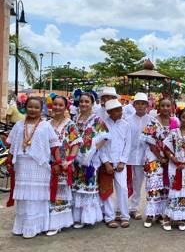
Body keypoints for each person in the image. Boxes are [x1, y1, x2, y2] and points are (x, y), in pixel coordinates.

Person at [9, 96, 61, 238]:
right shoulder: (19, 125)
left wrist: (57, 162)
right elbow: (12, 145)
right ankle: (21, 227)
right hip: (22, 164)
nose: (33, 110)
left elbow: (55, 145)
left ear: (41, 109)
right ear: (25, 107)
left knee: (36, 197)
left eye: (36, 107)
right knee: (24, 197)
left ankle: (36, 227)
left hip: (40, 166)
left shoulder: (46, 126)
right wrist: (9, 162)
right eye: (30, 107)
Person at [46, 96, 81, 236]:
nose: (57, 107)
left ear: (66, 107)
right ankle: (49, 221)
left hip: (64, 164)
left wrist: (69, 161)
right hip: (49, 164)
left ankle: (58, 223)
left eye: (61, 105)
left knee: (60, 193)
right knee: (49, 193)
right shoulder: (46, 124)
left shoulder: (70, 124)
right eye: (55, 104)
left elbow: (76, 144)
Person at [71, 92, 106, 228]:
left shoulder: (96, 119)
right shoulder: (74, 118)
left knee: (87, 185)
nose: (84, 104)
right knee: (75, 187)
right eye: (81, 101)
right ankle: (76, 217)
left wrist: (94, 149)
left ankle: (87, 218)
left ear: (92, 104)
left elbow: (106, 136)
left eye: (87, 102)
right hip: (75, 158)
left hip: (89, 159)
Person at [141, 97, 176, 228]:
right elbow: (150, 143)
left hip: (169, 160)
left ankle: (162, 214)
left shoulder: (175, 122)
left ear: (172, 107)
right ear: (158, 107)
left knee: (166, 187)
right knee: (153, 186)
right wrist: (160, 158)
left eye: (168, 106)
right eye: (163, 106)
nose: (166, 108)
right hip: (154, 159)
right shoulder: (152, 122)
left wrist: (170, 157)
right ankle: (151, 214)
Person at [99, 99, 131, 229]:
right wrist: (106, 163)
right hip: (106, 162)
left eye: (120, 109)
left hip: (120, 163)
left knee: (122, 188)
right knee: (107, 189)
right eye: (117, 110)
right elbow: (101, 146)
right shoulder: (102, 124)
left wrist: (123, 162)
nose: (120, 112)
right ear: (109, 112)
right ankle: (109, 217)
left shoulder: (125, 125)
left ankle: (124, 216)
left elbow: (127, 144)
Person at [125, 93, 154, 221]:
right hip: (130, 157)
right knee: (130, 183)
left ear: (147, 106)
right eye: (138, 103)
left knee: (144, 184)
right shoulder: (128, 120)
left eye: (143, 103)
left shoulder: (151, 121)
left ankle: (142, 209)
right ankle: (127, 208)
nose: (140, 106)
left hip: (146, 157)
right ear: (134, 105)